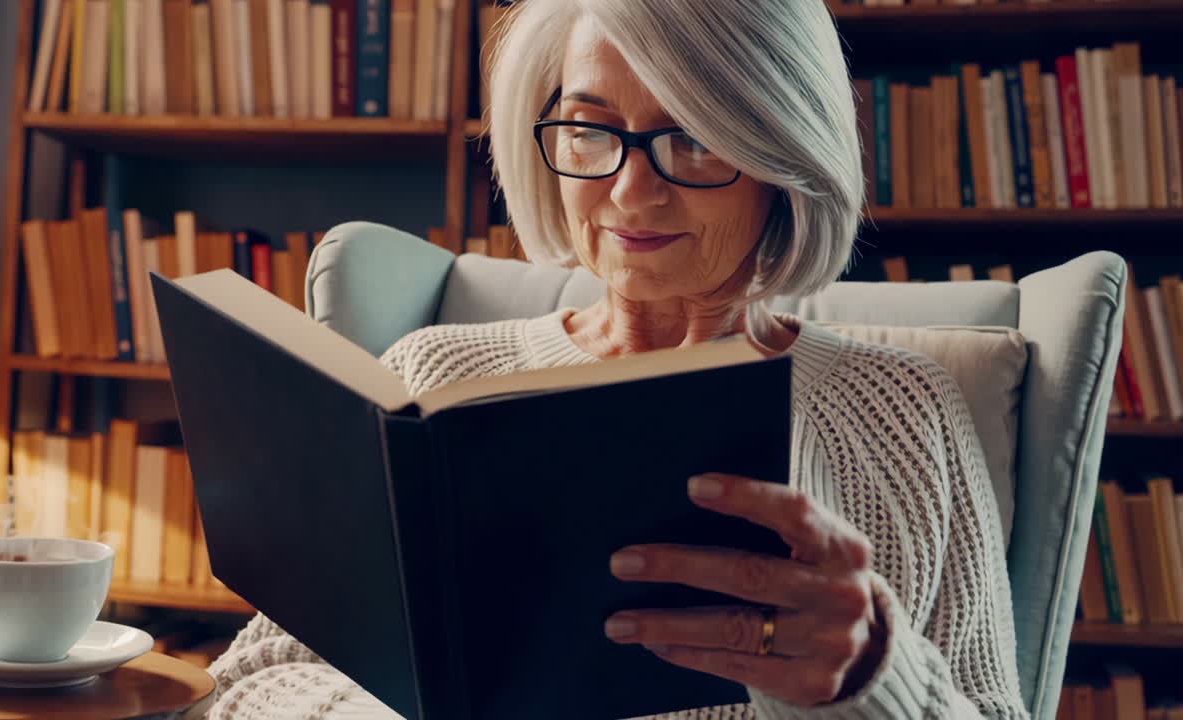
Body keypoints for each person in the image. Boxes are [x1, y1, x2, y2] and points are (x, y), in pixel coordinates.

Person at [207, 1, 1029, 718]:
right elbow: (252, 682)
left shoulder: (904, 412)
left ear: (784, 156)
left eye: (696, 138)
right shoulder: (434, 376)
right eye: (591, 129)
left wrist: (872, 678)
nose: (632, 192)